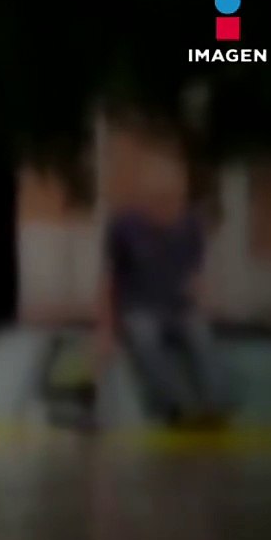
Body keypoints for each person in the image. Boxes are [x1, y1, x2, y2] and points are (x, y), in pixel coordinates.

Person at [95, 165, 229, 419]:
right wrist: (105, 329)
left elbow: (195, 273)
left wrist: (202, 295)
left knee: (201, 335)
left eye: (173, 201)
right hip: (138, 307)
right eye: (159, 201)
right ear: (145, 200)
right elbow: (108, 279)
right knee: (146, 336)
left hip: (178, 307)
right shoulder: (124, 227)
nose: (167, 208)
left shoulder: (191, 225)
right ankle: (172, 406)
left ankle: (217, 405)